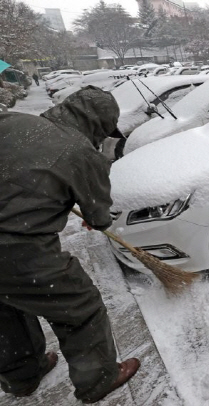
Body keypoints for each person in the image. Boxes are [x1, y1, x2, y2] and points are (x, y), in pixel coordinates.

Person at [0, 86, 140, 403]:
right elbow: (99, 214)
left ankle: (23, 375)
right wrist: (97, 216)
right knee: (80, 307)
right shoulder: (82, 153)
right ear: (98, 124)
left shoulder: (11, 122)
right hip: (18, 250)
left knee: (6, 308)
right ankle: (98, 380)